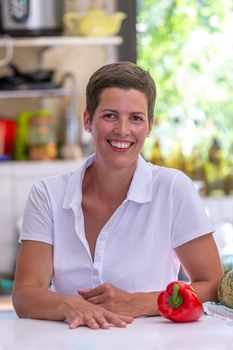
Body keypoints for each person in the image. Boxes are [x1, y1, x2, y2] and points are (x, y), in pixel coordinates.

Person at [12, 61, 223, 330]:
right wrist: (69, 305)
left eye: (135, 118)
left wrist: (142, 302)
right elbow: (25, 294)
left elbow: (212, 285)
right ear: (88, 120)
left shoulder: (172, 188)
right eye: (110, 115)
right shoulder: (48, 194)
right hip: (69, 345)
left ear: (149, 126)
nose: (123, 130)